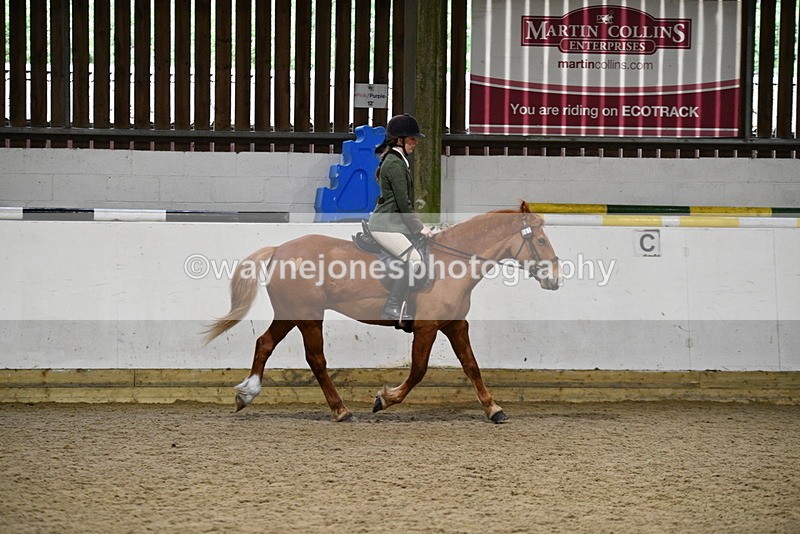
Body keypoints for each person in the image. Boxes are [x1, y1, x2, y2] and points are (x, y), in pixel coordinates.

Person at [368, 113, 434, 321]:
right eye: (412, 139)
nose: (415, 143)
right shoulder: (395, 164)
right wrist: (419, 228)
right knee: (414, 260)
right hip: (385, 226)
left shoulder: (398, 160)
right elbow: (402, 203)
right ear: (400, 140)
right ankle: (392, 306)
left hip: (393, 223)